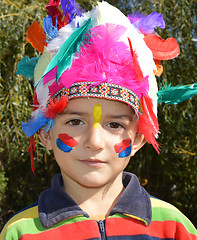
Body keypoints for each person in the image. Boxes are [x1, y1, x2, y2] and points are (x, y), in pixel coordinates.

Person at [1, 1, 197, 239]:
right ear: (45, 134)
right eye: (75, 122)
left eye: (115, 125)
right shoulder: (20, 232)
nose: (94, 142)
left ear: (138, 139)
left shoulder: (174, 228)